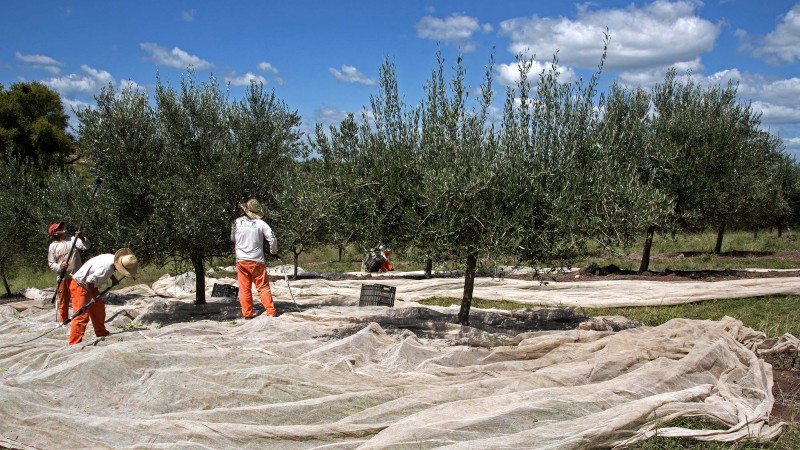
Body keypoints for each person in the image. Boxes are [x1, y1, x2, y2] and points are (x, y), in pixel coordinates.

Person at [68, 248, 138, 345]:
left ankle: (101, 333)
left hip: (91, 286)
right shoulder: (106, 268)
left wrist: (113, 278)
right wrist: (94, 297)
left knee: (98, 309)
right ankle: (74, 343)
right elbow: (89, 281)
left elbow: (101, 270)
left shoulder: (111, 258)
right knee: (81, 316)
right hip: (80, 285)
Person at [231, 198, 278, 319]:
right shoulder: (261, 224)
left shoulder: (236, 222)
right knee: (263, 287)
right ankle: (271, 312)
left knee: (244, 288)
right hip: (257, 261)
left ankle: (247, 314)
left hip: (241, 260)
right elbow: (272, 238)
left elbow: (232, 238)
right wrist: (273, 252)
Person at [47, 222, 90, 322]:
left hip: (76, 277)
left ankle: (78, 322)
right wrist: (60, 266)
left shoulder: (73, 239)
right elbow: (51, 263)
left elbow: (86, 246)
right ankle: (63, 322)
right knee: (63, 304)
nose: (62, 228)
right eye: (59, 228)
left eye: (62, 226)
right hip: (63, 278)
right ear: (54, 233)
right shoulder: (53, 246)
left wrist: (82, 237)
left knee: (79, 301)